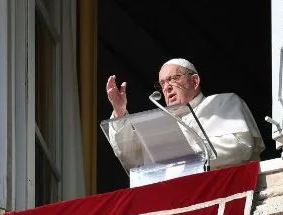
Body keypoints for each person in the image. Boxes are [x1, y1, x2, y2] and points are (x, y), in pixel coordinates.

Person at [106, 58, 265, 171]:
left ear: (194, 81)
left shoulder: (223, 102)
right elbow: (134, 160)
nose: (167, 87)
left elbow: (240, 147)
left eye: (173, 79)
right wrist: (120, 111)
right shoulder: (161, 124)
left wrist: (185, 151)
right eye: (162, 83)